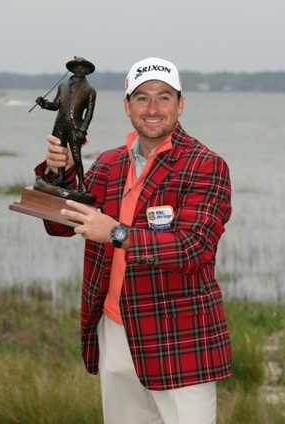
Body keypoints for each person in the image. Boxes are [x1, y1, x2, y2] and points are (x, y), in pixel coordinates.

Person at [35, 57, 232, 424]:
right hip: (115, 330)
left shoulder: (206, 164)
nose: (153, 108)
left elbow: (194, 248)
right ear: (127, 106)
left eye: (164, 97)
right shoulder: (109, 163)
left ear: (180, 104)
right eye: (141, 98)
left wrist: (114, 232)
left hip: (178, 337)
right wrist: (55, 171)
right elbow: (59, 225)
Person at [35, 56, 96, 192]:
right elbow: (55, 104)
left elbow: (89, 114)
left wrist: (83, 130)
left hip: (76, 128)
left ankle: (81, 184)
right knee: (60, 153)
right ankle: (60, 177)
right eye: (77, 67)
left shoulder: (90, 90)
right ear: (72, 69)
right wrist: (44, 104)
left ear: (87, 71)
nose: (79, 69)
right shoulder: (62, 86)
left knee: (76, 157)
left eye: (83, 67)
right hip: (60, 125)